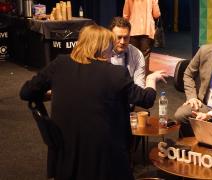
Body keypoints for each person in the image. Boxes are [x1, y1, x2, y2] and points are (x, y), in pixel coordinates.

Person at [19, 24, 167, 180]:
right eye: (111, 45)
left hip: (64, 156)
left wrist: (54, 93)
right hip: (106, 160)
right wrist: (151, 79)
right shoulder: (115, 73)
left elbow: (26, 92)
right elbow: (146, 99)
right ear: (103, 48)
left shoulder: (59, 63)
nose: (112, 50)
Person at [123, 0, 161, 75]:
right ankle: (143, 79)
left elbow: (125, 15)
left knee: (132, 55)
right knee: (145, 56)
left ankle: (131, 78)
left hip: (133, 29)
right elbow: (156, 14)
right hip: (147, 30)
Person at [109, 16, 146, 88]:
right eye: (119, 37)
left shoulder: (136, 54)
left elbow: (139, 85)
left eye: (126, 37)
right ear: (110, 36)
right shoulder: (102, 53)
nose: (122, 42)